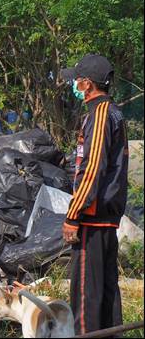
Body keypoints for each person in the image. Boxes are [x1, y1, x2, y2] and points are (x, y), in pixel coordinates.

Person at [60, 54, 128, 335]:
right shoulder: (112, 113)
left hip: (93, 217)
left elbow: (92, 170)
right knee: (105, 291)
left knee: (86, 296)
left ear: (87, 84)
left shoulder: (100, 115)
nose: (73, 84)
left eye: (76, 80)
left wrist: (73, 215)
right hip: (105, 216)